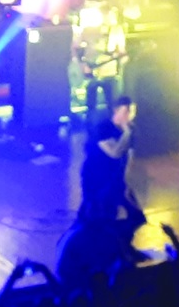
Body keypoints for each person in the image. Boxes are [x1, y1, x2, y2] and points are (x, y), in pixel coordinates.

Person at [59, 98, 143, 284]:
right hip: (96, 179)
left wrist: (127, 184)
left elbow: (129, 158)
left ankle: (123, 247)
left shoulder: (131, 131)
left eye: (132, 112)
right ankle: (73, 247)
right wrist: (127, 133)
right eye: (127, 111)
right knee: (94, 216)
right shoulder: (103, 128)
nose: (131, 116)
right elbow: (115, 152)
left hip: (116, 180)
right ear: (117, 111)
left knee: (137, 216)